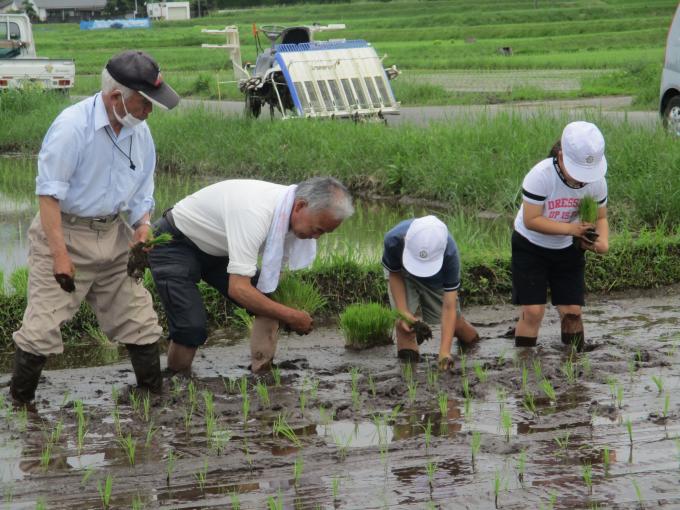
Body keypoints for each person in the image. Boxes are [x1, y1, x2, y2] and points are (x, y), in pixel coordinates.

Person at [10, 50, 180, 406]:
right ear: (117, 97)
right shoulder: (72, 128)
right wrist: (59, 256)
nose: (149, 112)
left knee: (140, 319)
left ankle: (151, 398)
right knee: (41, 328)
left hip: (113, 235)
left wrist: (142, 226)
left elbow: (142, 190)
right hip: (65, 233)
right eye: (144, 103)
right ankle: (20, 405)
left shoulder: (140, 134)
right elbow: (49, 195)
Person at [147, 177, 354, 375]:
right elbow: (238, 289)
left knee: (270, 302)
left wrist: (281, 307)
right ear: (300, 206)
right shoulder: (255, 212)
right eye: (317, 229)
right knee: (190, 327)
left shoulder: (289, 213)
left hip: (220, 248)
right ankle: (178, 382)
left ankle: (261, 371)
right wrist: (290, 316)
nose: (316, 237)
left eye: (324, 233)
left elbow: (272, 280)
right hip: (175, 242)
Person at [512, 121, 609, 351]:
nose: (581, 180)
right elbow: (531, 220)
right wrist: (572, 230)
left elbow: (601, 218)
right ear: (561, 155)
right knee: (533, 312)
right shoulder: (541, 175)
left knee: (572, 313)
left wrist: (601, 243)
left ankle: (574, 367)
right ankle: (524, 368)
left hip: (567, 249)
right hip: (530, 245)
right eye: (577, 172)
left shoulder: (597, 182)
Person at [382, 215, 480, 370]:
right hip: (404, 275)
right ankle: (409, 378)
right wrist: (403, 311)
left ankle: (475, 343)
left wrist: (445, 352)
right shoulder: (394, 239)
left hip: (437, 281)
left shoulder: (450, 254)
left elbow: (449, 307)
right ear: (407, 240)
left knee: (456, 322)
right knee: (404, 326)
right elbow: (394, 273)